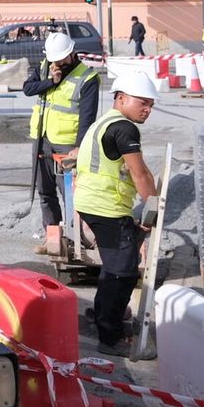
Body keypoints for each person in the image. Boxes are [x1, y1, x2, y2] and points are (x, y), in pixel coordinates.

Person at [74, 71, 160, 359]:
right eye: (142, 103)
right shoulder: (124, 129)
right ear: (121, 99)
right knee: (123, 271)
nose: (147, 109)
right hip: (105, 206)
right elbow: (139, 172)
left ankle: (103, 314)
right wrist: (154, 206)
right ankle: (109, 336)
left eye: (151, 104)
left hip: (95, 203)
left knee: (116, 263)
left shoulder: (104, 122)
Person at [22, 31, 99, 254]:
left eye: (62, 59)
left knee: (72, 195)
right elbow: (28, 89)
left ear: (71, 53)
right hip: (41, 138)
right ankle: (52, 237)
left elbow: (88, 117)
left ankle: (79, 237)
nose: (58, 63)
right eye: (55, 59)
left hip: (67, 145)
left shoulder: (87, 78)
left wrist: (79, 147)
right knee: (45, 191)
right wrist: (50, 82)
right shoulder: (46, 67)